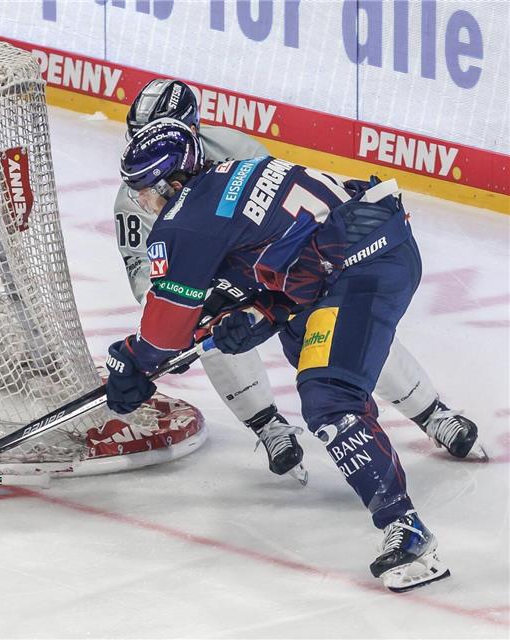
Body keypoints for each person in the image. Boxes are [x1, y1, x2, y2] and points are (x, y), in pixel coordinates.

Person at [106, 118, 467, 591]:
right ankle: (386, 449)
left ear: (172, 182)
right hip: (365, 249)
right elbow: (292, 248)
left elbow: (163, 337)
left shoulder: (183, 223)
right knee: (322, 374)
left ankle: (411, 534)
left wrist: (131, 360)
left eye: (145, 189)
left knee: (328, 395)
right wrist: (259, 312)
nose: (141, 201)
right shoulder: (236, 169)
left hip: (360, 271)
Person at [111, 80, 482, 485]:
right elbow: (150, 286)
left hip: (278, 270)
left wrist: (264, 300)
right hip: (206, 284)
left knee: (342, 324)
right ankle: (267, 424)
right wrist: (183, 325)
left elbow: (284, 223)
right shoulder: (138, 194)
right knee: (209, 333)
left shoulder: (234, 149)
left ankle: (431, 413)